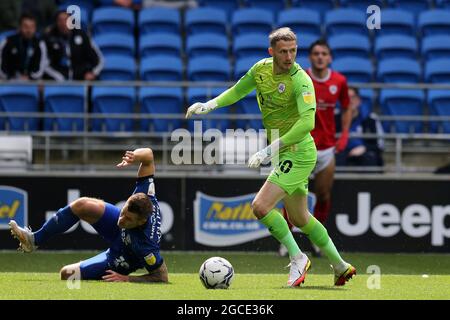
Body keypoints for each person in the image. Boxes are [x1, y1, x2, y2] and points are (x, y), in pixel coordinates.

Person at [185, 27, 355, 287]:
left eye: (293, 51)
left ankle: (297, 256)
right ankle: (341, 266)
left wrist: (269, 149)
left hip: (298, 152)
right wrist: (210, 105)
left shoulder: (301, 79)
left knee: (260, 206)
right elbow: (238, 90)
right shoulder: (261, 70)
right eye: (283, 51)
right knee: (300, 218)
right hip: (283, 152)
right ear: (272, 52)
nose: (289, 57)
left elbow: (307, 123)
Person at [9, 147, 168, 283]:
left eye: (128, 218)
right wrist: (135, 156)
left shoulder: (146, 246)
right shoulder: (145, 192)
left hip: (125, 253)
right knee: (83, 205)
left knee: (67, 274)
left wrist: (127, 279)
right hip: (120, 231)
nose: (122, 218)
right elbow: (148, 155)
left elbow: (161, 276)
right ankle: (34, 240)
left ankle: (94, 267)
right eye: (124, 211)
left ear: (141, 222)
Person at [280, 39, 352, 257]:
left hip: (326, 148)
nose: (320, 57)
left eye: (324, 54)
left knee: (323, 194)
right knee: (290, 192)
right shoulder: (300, 77)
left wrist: (344, 135)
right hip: (300, 147)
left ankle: (317, 239)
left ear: (329, 58)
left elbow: (347, 108)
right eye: (316, 53)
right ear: (310, 57)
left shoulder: (339, 81)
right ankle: (287, 239)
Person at [44, 10, 103, 81]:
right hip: (57, 79)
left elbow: (99, 60)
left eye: (66, 20)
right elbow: (44, 63)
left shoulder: (82, 36)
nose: (63, 23)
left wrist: (93, 73)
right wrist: (58, 77)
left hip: (81, 79)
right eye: (60, 20)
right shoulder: (49, 38)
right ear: (56, 23)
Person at [336, 86, 384, 168]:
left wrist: (364, 148)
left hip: (364, 153)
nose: (350, 101)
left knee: (371, 158)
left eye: (353, 97)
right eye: (346, 98)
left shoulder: (371, 119)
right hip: (341, 152)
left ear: (359, 100)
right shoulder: (335, 119)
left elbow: (380, 145)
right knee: (335, 159)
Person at [0, 12, 47, 80]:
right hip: (8, 82)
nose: (29, 30)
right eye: (25, 26)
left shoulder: (40, 44)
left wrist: (29, 78)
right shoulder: (7, 41)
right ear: (20, 27)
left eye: (32, 27)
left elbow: (40, 68)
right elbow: (1, 66)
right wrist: (10, 78)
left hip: (32, 83)